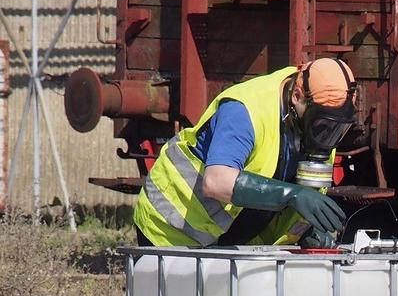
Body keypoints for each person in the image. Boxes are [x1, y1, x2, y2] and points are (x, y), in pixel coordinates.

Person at [134, 58, 356, 247]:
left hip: (232, 242)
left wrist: (310, 232)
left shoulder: (321, 130)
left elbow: (298, 206)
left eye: (339, 129)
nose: (328, 137)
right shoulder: (246, 110)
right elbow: (216, 181)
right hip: (171, 233)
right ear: (297, 96)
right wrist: (292, 195)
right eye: (322, 124)